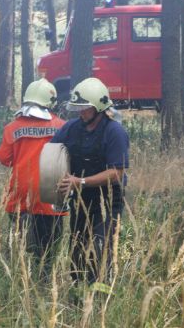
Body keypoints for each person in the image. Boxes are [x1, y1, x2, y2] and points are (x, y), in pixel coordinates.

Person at [51, 77, 129, 285]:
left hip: (108, 198)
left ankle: (100, 296)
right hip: (81, 197)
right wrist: (57, 181)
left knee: (101, 247)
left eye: (85, 108)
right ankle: (79, 291)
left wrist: (81, 181)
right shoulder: (71, 128)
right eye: (78, 108)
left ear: (99, 108)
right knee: (77, 245)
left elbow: (117, 172)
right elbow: (51, 152)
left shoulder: (114, 132)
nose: (80, 112)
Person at [0, 78, 66, 277]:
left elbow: (5, 159)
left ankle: (21, 274)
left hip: (20, 191)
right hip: (51, 193)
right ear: (50, 102)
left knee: (20, 240)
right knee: (49, 246)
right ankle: (44, 280)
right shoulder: (62, 126)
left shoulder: (12, 127)